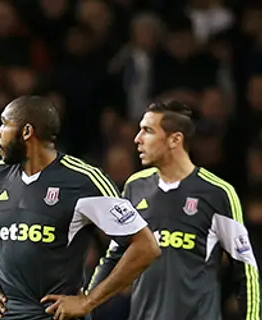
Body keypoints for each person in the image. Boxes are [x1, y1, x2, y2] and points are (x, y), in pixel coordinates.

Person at [0, 96, 160, 320]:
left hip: (56, 315)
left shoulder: (83, 180)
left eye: (5, 124)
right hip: (7, 314)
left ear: (26, 132)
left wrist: (89, 301)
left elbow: (146, 246)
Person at [87, 100, 261, 320]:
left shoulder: (218, 193)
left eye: (147, 131)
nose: (137, 139)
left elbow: (245, 270)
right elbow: (114, 257)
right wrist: (85, 302)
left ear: (175, 140)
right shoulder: (135, 187)